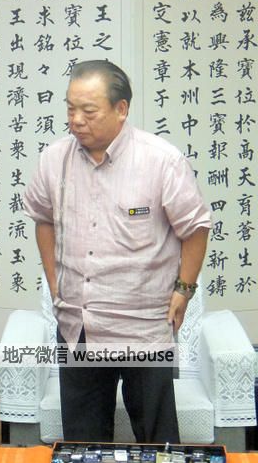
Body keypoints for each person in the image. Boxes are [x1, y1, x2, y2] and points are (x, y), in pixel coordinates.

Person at [23, 60, 211, 444]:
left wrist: (184, 290)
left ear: (121, 109)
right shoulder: (53, 159)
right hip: (79, 327)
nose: (76, 120)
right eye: (70, 108)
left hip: (144, 327)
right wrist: (54, 282)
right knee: (83, 444)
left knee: (158, 443)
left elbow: (195, 228)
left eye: (88, 111)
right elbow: (42, 218)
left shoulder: (161, 160)